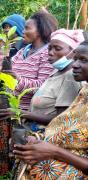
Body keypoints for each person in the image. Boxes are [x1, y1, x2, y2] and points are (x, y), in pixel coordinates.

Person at [0, 11, 58, 175]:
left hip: (25, 116)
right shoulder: (24, 50)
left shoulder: (48, 54)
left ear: (40, 30)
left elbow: (44, 87)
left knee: (20, 153)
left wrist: (18, 80)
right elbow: (7, 75)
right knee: (5, 147)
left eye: (27, 28)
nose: (22, 31)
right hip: (9, 109)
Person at [13, 39, 88, 179]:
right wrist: (40, 141)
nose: (75, 65)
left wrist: (54, 152)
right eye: (75, 58)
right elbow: (66, 129)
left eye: (83, 60)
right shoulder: (84, 92)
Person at [0, 29, 84, 131]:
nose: (51, 53)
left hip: (45, 137)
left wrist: (20, 113)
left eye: (57, 48)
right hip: (32, 131)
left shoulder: (70, 78)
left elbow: (61, 119)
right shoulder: (56, 72)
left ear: (73, 52)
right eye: (49, 48)